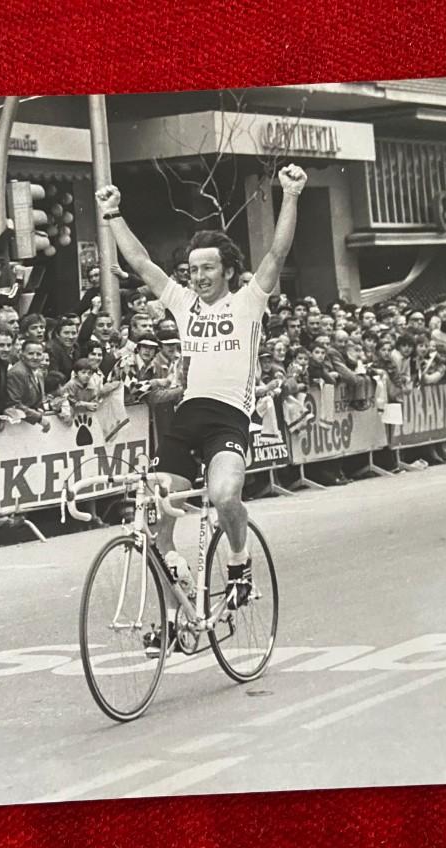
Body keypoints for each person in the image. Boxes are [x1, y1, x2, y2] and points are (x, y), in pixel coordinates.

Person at [96, 163, 307, 655]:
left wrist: (290, 195)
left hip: (229, 418)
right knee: (158, 520)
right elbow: (144, 263)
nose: (199, 276)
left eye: (208, 268)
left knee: (225, 494)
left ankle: (238, 561)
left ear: (228, 270)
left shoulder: (250, 301)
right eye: (193, 269)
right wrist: (112, 215)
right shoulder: (184, 304)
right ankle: (174, 616)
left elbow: (277, 252)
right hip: (187, 418)